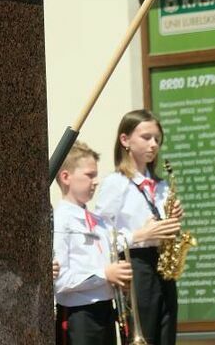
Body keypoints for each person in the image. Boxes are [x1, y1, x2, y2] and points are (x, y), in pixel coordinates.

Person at [95, 109, 183, 345]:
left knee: (166, 333)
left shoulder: (161, 185)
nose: (153, 144)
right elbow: (100, 235)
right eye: (146, 137)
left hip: (162, 266)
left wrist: (172, 224)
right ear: (125, 140)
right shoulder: (116, 184)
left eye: (157, 139)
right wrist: (140, 235)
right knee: (144, 337)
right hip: (136, 266)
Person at [53, 141, 132, 345]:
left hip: (106, 309)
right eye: (90, 175)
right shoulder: (61, 220)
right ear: (66, 177)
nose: (96, 181)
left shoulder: (99, 221)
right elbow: (60, 281)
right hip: (79, 315)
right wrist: (105, 275)